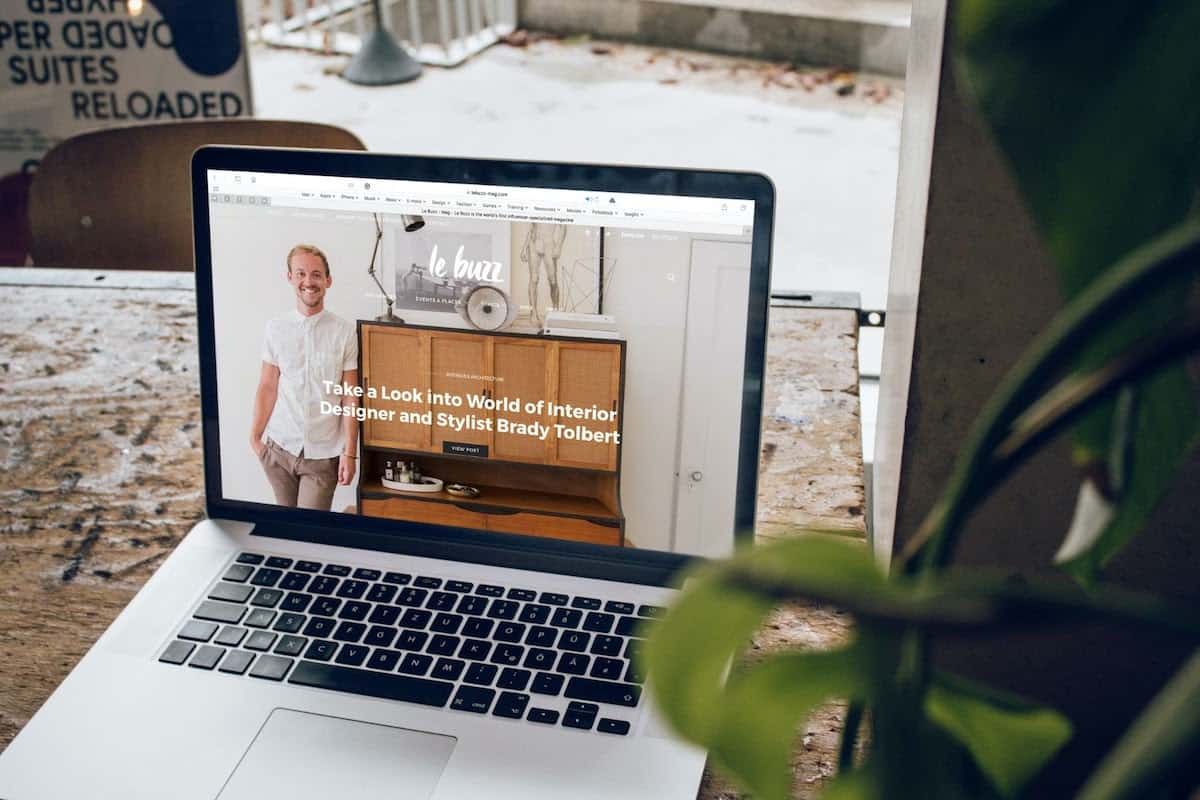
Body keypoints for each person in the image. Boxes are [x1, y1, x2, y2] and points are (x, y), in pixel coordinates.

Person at [250, 244, 359, 511]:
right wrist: (255, 439)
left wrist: (350, 453)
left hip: (323, 456)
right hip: (279, 449)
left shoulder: (344, 332)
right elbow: (267, 386)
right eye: (300, 274)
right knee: (286, 530)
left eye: (316, 274)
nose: (308, 281)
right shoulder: (276, 328)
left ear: (328, 280)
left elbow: (350, 397)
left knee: (312, 531)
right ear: (290, 278)